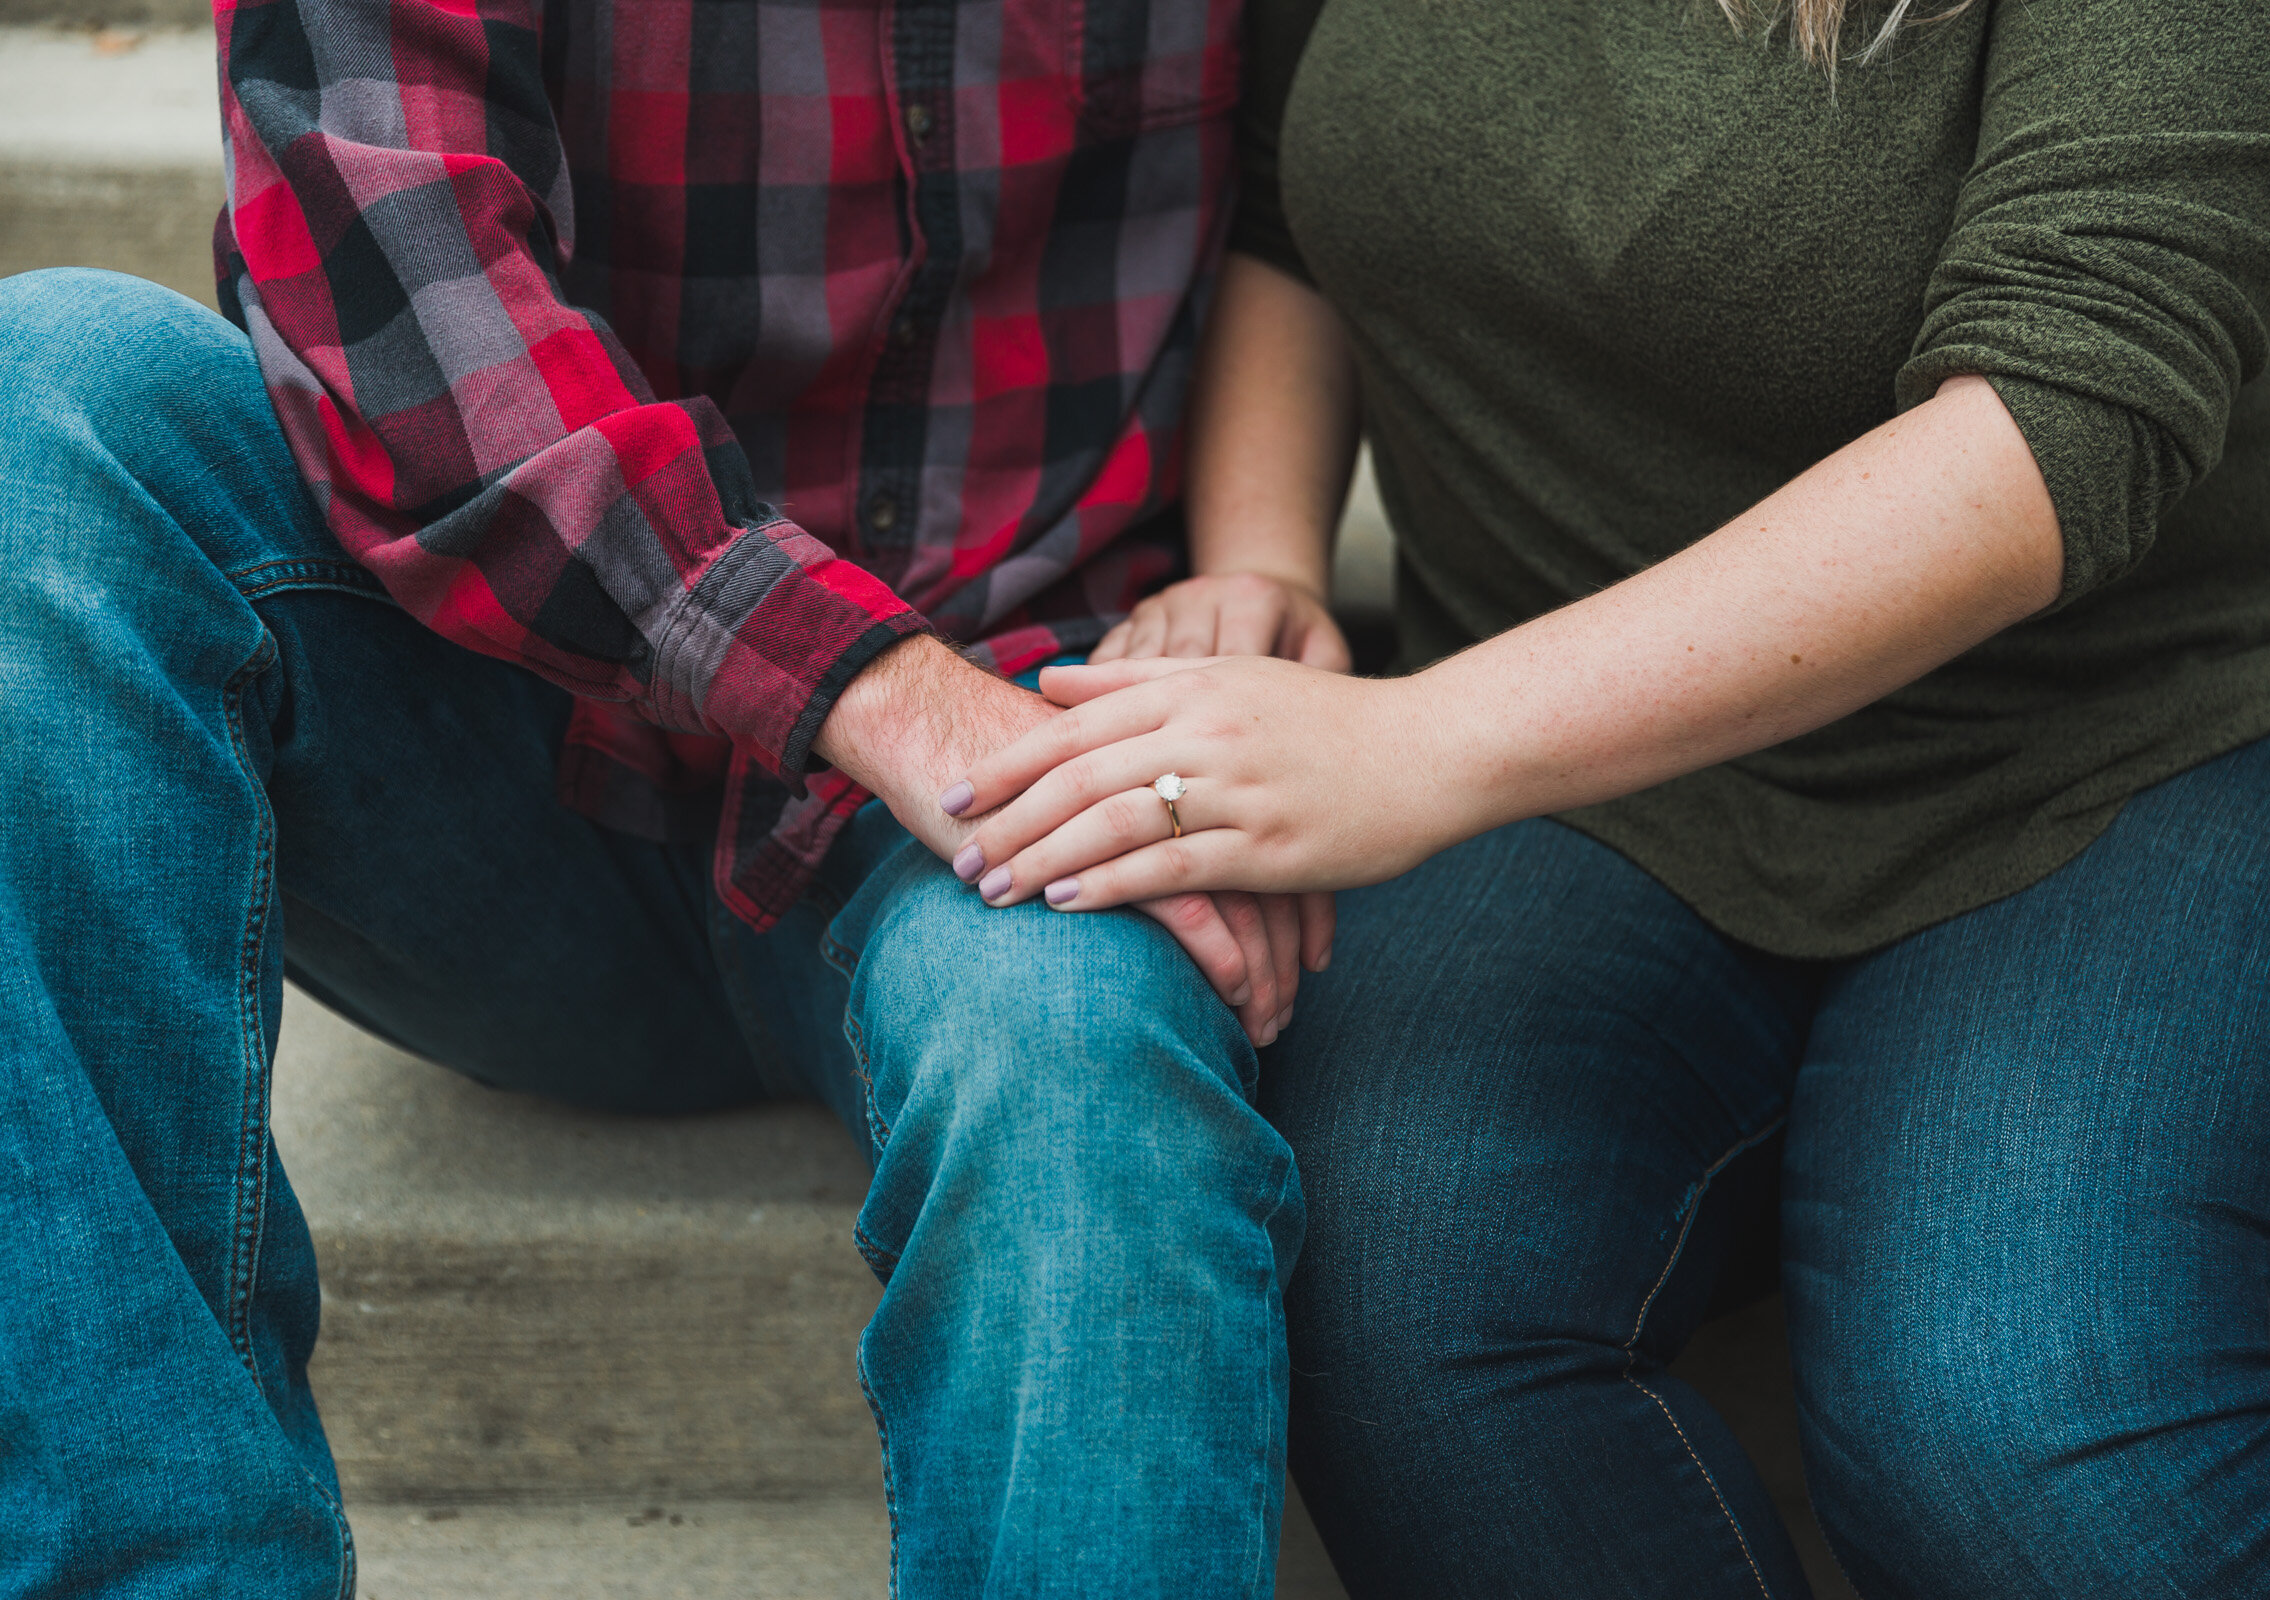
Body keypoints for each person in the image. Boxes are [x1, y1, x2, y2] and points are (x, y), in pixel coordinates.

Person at [941, 0, 2270, 1593]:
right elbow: (1294, 199)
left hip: (2136, 736)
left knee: (2025, 1443)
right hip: (1595, 773)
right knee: (1393, 1315)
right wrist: (1267, 558)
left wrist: (1417, 744)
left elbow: (2065, 414)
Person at [0, 0, 1337, 1593]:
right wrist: (873, 689)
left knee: (1080, 1050)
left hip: (1027, 739)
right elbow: (406, 286)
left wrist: (1266, 572)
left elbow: (1304, 190)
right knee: (49, 400)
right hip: (519, 750)